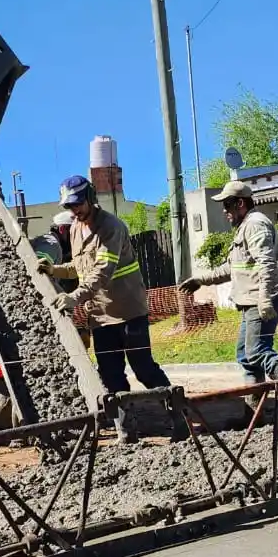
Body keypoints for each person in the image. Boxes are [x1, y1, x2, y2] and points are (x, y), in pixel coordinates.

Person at [38, 175, 186, 443]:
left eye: (78, 204)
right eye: (69, 206)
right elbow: (80, 267)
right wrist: (54, 269)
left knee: (144, 369)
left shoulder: (111, 227)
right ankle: (127, 431)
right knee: (110, 373)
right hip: (100, 315)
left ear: (91, 197)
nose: (75, 210)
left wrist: (74, 297)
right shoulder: (74, 229)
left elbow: (102, 271)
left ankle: (179, 418)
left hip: (129, 310)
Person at [178, 180, 278, 420]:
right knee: (246, 355)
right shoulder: (246, 226)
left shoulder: (255, 225)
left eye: (227, 205)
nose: (224, 211)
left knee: (256, 351)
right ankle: (254, 412)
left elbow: (266, 263)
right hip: (254, 300)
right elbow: (232, 267)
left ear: (241, 203)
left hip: (263, 299)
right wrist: (201, 280)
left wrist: (265, 297)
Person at [32, 211, 90, 347]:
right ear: (63, 229)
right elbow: (41, 276)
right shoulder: (51, 245)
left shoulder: (51, 244)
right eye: (74, 232)